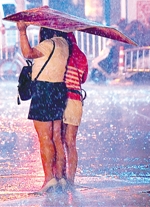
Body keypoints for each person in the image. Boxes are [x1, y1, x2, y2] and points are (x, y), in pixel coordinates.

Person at [16, 21, 69, 194]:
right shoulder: (64, 44)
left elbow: (27, 53)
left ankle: (49, 179)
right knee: (56, 138)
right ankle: (60, 177)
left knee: (45, 138)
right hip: (59, 90)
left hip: (44, 91)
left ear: (44, 31)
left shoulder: (47, 45)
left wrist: (22, 31)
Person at [61, 32, 89, 190]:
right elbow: (83, 79)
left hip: (62, 100)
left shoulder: (62, 53)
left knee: (59, 141)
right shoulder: (82, 56)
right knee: (71, 143)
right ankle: (71, 180)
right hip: (76, 100)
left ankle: (61, 176)